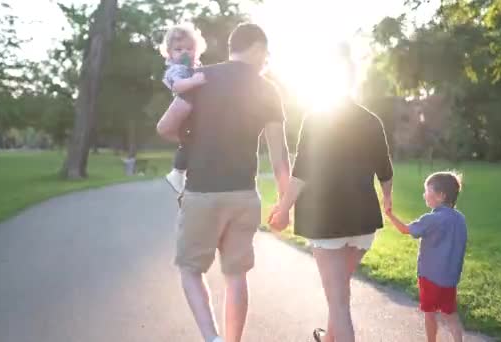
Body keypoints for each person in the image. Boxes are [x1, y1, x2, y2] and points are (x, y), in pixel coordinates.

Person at [157, 23, 290, 342]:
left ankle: (212, 339)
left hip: (202, 193)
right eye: (266, 54)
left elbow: (165, 126)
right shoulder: (268, 89)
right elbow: (279, 155)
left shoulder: (202, 79)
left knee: (190, 270)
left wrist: (193, 139)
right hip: (244, 195)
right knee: (236, 275)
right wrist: (285, 205)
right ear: (256, 48)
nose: (266, 61)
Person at [269, 46, 394, 342]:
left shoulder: (316, 118)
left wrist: (284, 209)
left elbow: (301, 172)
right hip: (364, 222)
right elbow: (385, 170)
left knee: (338, 299)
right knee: (339, 290)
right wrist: (387, 202)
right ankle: (329, 338)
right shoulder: (371, 120)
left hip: (328, 220)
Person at [386, 171, 467, 342]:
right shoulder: (460, 219)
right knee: (451, 315)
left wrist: (390, 215)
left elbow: (405, 230)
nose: (424, 195)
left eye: (427, 190)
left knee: (430, 314)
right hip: (450, 279)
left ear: (440, 196)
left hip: (430, 277)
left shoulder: (431, 219)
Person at [159, 23, 208, 193]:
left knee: (194, 142)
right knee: (187, 142)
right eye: (178, 49)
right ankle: (177, 172)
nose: (185, 52)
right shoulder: (176, 69)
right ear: (170, 53)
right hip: (184, 112)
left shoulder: (194, 67)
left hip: (195, 110)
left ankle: (187, 173)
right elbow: (177, 86)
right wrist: (194, 82)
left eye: (189, 48)